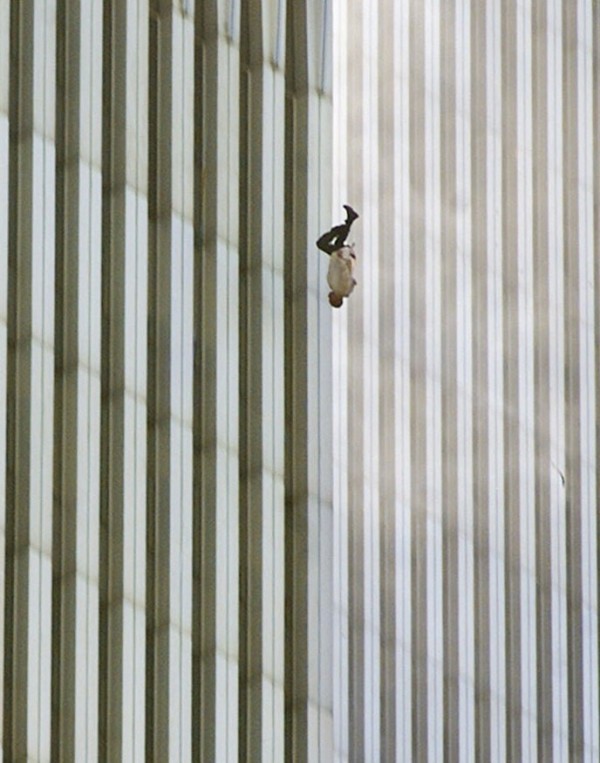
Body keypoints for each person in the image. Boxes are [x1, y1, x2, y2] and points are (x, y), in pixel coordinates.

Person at [316, 205, 359, 308]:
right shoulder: (341, 288)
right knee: (322, 243)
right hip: (341, 258)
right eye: (331, 300)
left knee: (338, 242)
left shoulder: (334, 287)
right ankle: (345, 225)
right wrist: (340, 259)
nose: (329, 297)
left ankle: (347, 223)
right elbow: (344, 274)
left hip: (338, 258)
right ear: (337, 300)